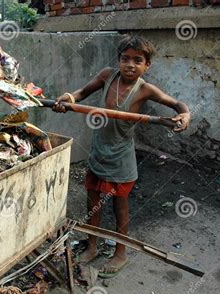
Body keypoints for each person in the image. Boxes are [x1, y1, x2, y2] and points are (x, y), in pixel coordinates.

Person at [53, 35, 191, 278]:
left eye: (138, 60)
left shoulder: (146, 89)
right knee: (92, 201)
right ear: (118, 60)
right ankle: (92, 245)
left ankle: (120, 253)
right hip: (98, 151)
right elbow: (82, 92)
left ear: (147, 65)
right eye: (125, 58)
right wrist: (70, 98)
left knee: (120, 206)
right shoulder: (108, 75)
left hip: (121, 156)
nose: (130, 64)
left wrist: (185, 115)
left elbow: (177, 104)